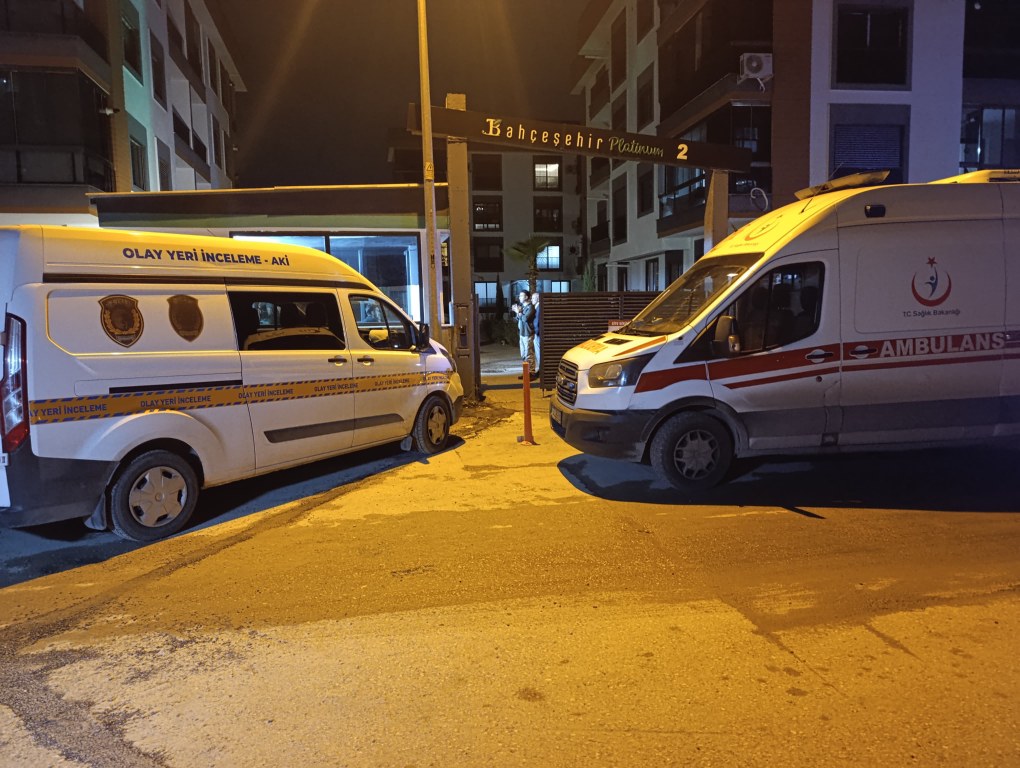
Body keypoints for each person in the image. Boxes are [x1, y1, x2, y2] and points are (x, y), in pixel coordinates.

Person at [510, 290, 535, 375]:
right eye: (519, 296)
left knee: (529, 354)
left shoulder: (530, 307)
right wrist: (517, 312)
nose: (519, 297)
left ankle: (531, 372)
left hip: (528, 333)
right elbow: (518, 319)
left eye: (521, 296)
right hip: (522, 333)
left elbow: (525, 319)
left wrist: (519, 312)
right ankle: (526, 373)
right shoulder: (523, 307)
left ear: (526, 297)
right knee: (523, 354)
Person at [530, 291, 541, 378]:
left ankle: (541, 370)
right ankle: (540, 369)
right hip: (537, 334)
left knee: (539, 353)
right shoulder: (537, 308)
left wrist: (536, 333)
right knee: (538, 353)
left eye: (533, 298)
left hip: (538, 334)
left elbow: (538, 322)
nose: (532, 300)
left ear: (538, 299)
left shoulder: (539, 308)